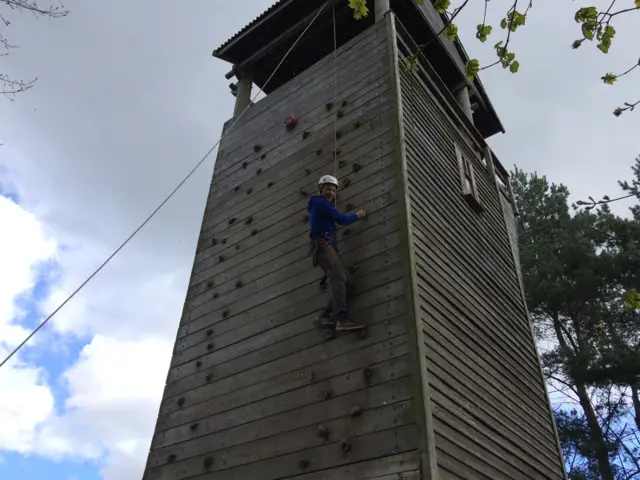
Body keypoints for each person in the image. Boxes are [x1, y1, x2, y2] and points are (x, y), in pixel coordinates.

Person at [307, 175, 366, 332]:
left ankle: (325, 315)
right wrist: (357, 215)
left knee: (349, 284)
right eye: (328, 189)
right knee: (339, 277)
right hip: (323, 244)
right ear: (320, 190)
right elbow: (341, 219)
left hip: (328, 246)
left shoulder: (325, 206)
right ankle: (342, 318)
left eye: (333, 190)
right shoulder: (319, 202)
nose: (331, 193)